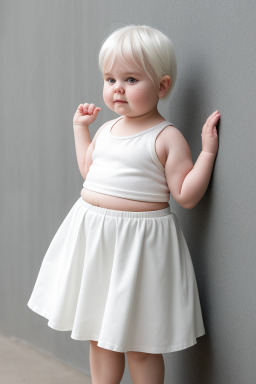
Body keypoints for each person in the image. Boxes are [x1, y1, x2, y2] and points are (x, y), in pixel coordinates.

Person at [28, 25, 220, 384]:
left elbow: (186, 194)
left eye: (131, 79)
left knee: (141, 342)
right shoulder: (107, 130)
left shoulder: (166, 137)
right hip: (97, 239)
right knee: (100, 334)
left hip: (139, 247)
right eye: (110, 78)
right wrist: (80, 128)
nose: (117, 88)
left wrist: (207, 151)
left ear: (162, 87)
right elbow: (89, 170)